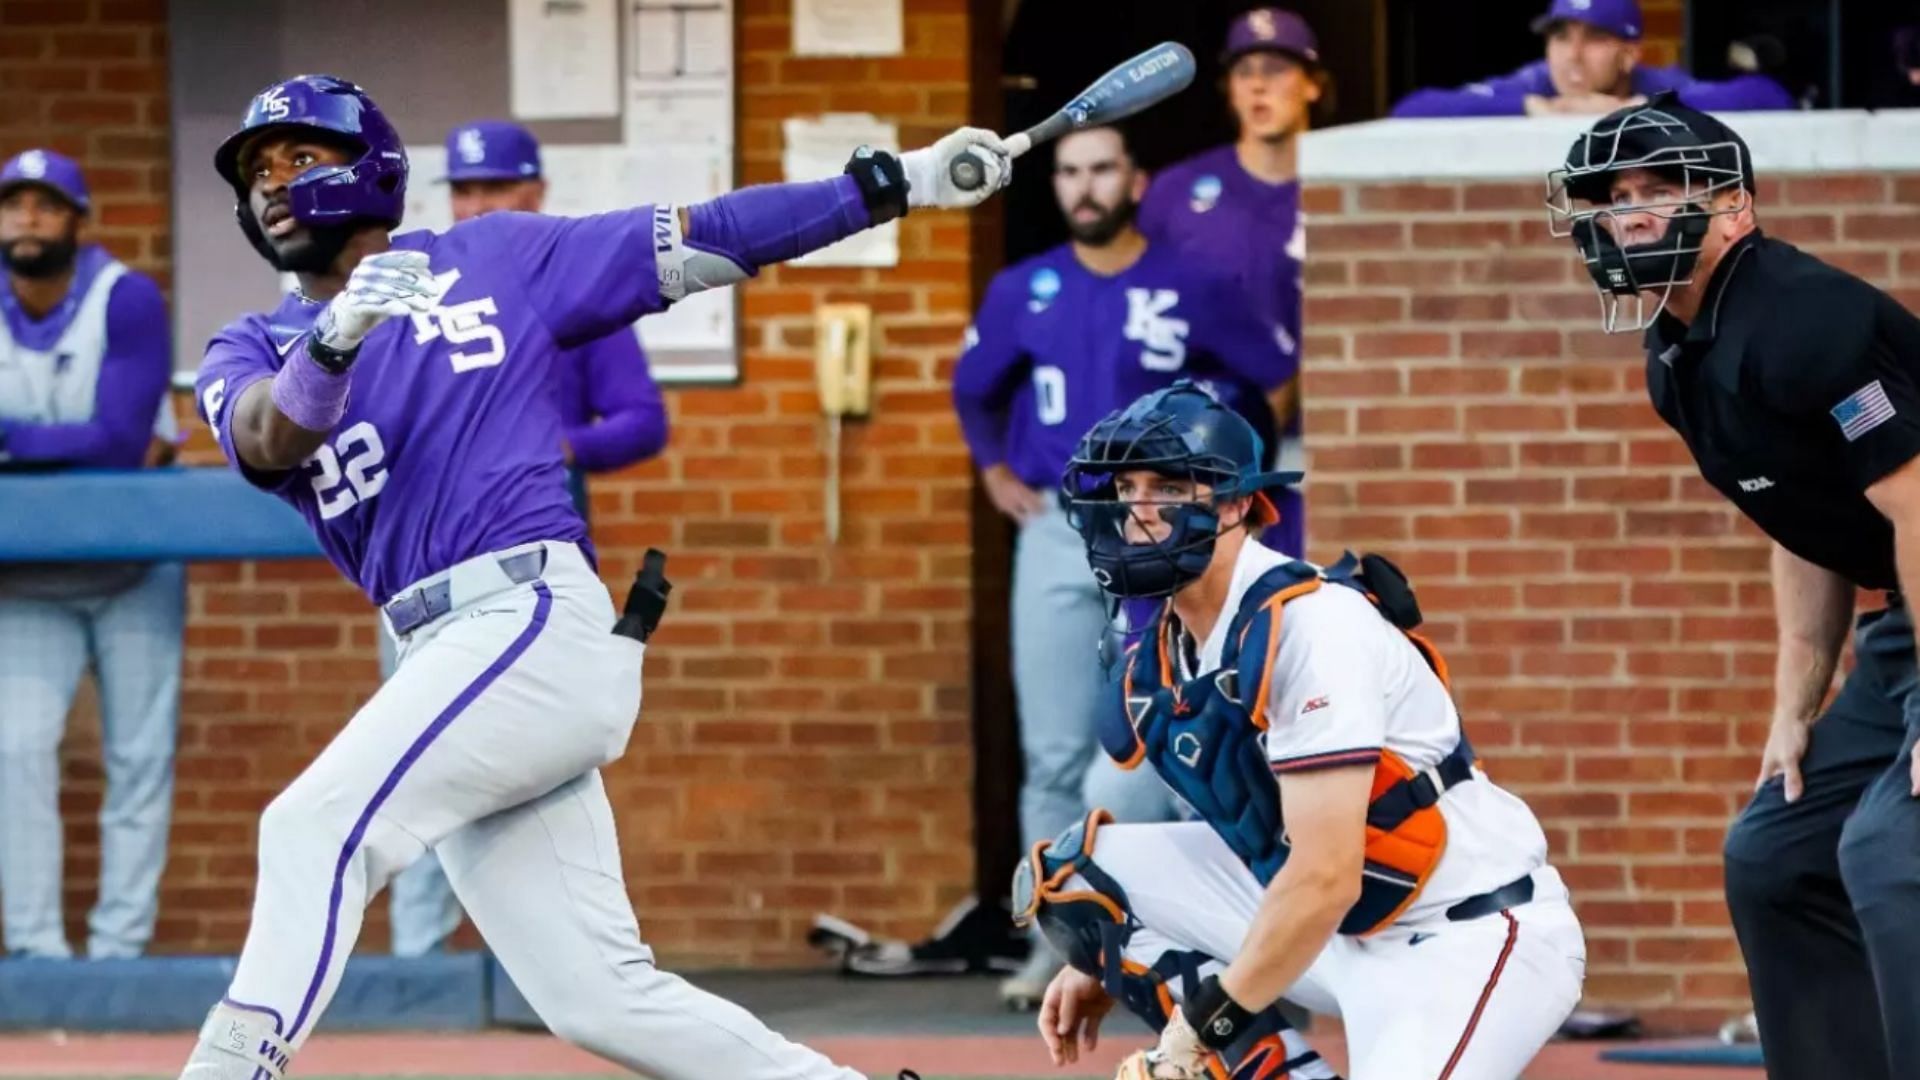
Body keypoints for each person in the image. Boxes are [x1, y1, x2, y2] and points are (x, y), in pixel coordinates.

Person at [179, 74, 1007, 1080]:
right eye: (259, 169)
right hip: (436, 648)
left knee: (313, 827)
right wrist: (337, 335)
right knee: (597, 997)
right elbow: (270, 439)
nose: (274, 183)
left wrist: (901, 182)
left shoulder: (493, 255)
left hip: (525, 611)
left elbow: (704, 236)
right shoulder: (248, 346)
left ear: (371, 168)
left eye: (300, 158)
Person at [1023, 381, 1586, 1080]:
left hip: (1460, 935)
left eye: (1168, 486)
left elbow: (1324, 876)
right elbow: (1264, 838)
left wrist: (1195, 1032)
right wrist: (1102, 960)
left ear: (1236, 504)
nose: (1138, 512)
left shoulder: (1316, 627)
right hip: (1341, 932)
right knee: (1085, 878)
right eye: (1125, 488)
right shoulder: (1168, 647)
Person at [1546, 91, 1920, 1080]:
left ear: (1735, 209)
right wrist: (1796, 708)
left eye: (1659, 191)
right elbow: (1802, 516)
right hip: (1904, 625)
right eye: (1612, 196)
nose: (1630, 214)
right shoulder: (1672, 359)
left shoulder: (1807, 317)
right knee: (1778, 854)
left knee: (1894, 856)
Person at [953, 124, 1296, 1009]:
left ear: (1135, 179)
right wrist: (993, 469)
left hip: (1173, 534)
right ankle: (1054, 943)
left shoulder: (1194, 282)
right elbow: (974, 389)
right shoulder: (1021, 287)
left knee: (1201, 728)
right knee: (1056, 748)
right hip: (1065, 528)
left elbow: (1270, 378)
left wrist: (1218, 493)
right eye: (1069, 173)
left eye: (1102, 168)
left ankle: (1232, 943)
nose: (1085, 186)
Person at [380, 118, 670, 960]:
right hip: (427, 566)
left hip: (538, 565)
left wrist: (561, 444)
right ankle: (420, 961)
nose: (479, 205)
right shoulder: (412, 298)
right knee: (416, 758)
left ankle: (571, 964)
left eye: (497, 188)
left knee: (550, 765)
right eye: (465, 190)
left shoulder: (563, 286)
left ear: (534, 194)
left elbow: (644, 421)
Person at [0, 148, 183, 961]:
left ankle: (120, 952)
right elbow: (109, 442)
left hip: (134, 570)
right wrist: (72, 447)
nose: (28, 219)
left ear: (79, 220)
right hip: (27, 580)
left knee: (140, 757)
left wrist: (9, 443)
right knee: (15, 753)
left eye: (46, 205)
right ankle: (39, 951)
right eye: (14, 205)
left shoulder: (128, 298)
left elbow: (117, 442)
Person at [1138, 6, 1314, 557]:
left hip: (1316, 443)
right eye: (1244, 71)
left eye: (1277, 68)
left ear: (1313, 85)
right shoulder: (1176, 192)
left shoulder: (1346, 186)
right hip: (1200, 447)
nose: (1259, 84)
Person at [1390, 0, 1794, 118]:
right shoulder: (1535, 85)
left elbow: (1770, 95)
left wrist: (1642, 108)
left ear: (1629, 55)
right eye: (1561, 37)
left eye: (1595, 38)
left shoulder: (1654, 85)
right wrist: (1532, 107)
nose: (1573, 56)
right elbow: (1411, 108)